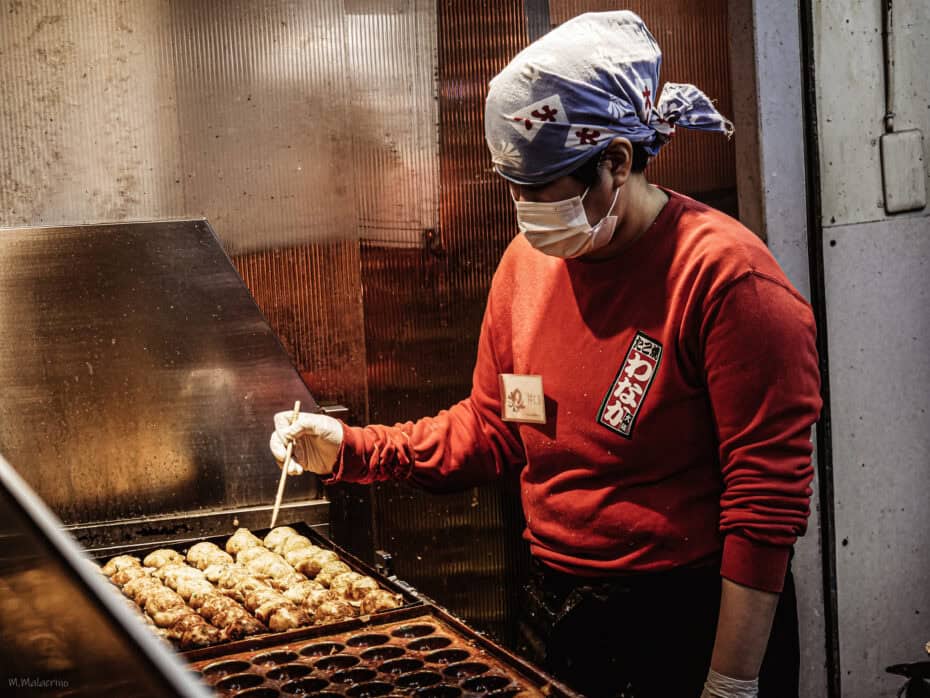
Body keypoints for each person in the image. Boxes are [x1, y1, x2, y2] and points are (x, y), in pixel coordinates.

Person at [270, 11, 822, 698]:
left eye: (540, 189)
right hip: (556, 603)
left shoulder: (728, 282)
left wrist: (731, 682)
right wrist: (353, 450)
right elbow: (495, 426)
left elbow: (765, 503)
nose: (524, 210)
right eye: (514, 187)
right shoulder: (526, 265)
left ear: (615, 162)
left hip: (684, 616)